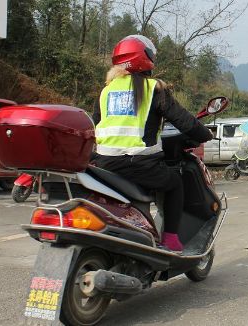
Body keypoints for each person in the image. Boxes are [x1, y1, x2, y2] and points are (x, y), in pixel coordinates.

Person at [92, 35, 213, 252]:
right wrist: (205, 134)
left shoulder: (106, 90)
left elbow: (97, 122)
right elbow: (184, 120)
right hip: (138, 163)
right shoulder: (153, 89)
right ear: (145, 58)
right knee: (175, 183)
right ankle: (171, 239)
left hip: (103, 163)